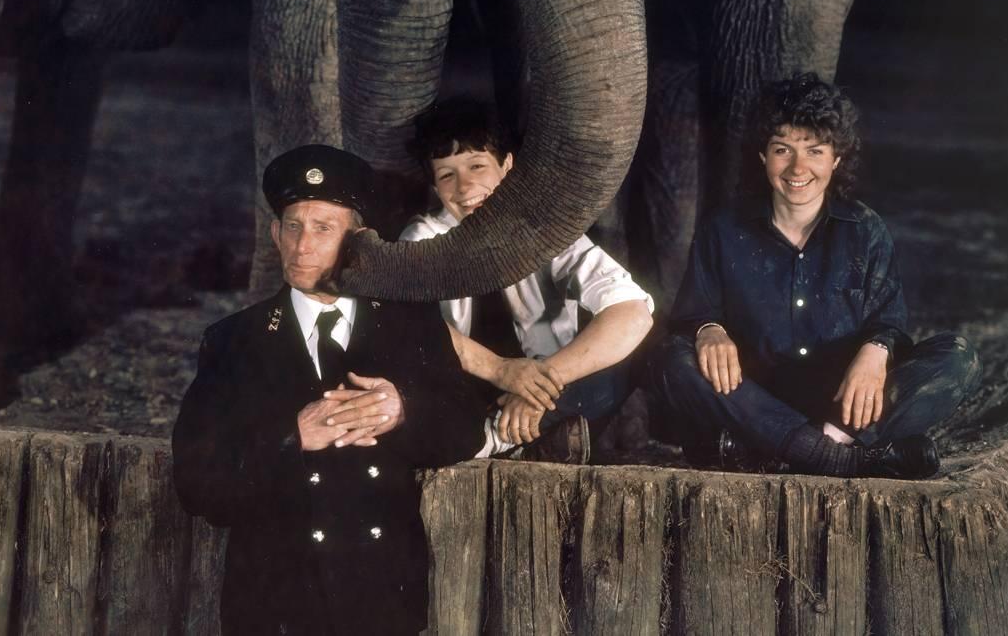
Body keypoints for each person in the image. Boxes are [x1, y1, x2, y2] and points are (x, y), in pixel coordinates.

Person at [172, 144, 483, 636]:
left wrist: (404, 411)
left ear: (358, 239)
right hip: (273, 605)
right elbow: (196, 483)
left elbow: (466, 430)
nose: (303, 246)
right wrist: (290, 438)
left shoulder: (409, 324)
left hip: (381, 599)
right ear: (274, 234)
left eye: (323, 228)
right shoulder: (235, 340)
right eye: (292, 226)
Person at [656, 73, 980, 478]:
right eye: (782, 149)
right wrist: (709, 329)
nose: (798, 167)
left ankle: (789, 450)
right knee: (674, 359)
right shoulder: (722, 229)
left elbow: (891, 324)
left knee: (957, 357)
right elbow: (690, 315)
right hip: (755, 402)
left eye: (815, 151)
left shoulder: (866, 230)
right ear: (762, 156)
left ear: (836, 159)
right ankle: (841, 458)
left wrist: (876, 350)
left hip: (843, 405)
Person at [400, 97, 654, 464]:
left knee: (631, 355)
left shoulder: (545, 231)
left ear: (507, 165)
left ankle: (498, 439)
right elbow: (410, 326)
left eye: (477, 165)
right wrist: (503, 372)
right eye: (446, 174)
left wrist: (538, 383)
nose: (465, 186)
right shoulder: (421, 238)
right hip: (465, 387)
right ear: (435, 187)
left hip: (552, 390)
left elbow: (633, 311)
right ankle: (533, 440)